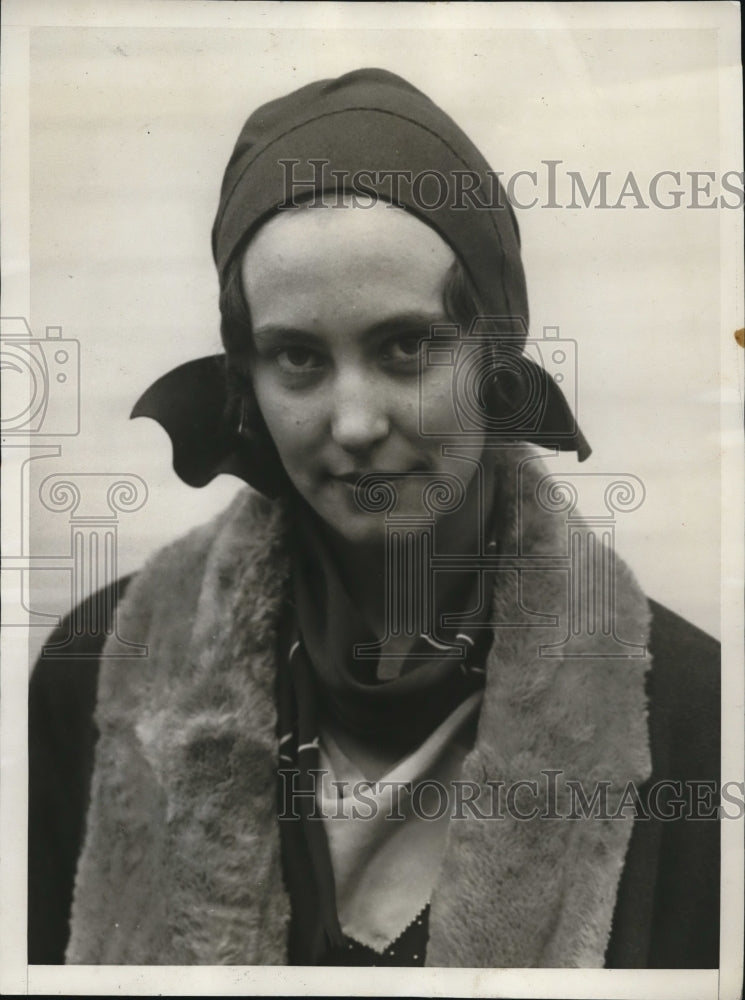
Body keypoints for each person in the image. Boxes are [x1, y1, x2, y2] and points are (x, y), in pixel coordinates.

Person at [28, 68, 720, 968]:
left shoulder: (688, 715)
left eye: (406, 347)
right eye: (298, 359)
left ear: (496, 359)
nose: (354, 423)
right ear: (246, 382)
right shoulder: (102, 674)